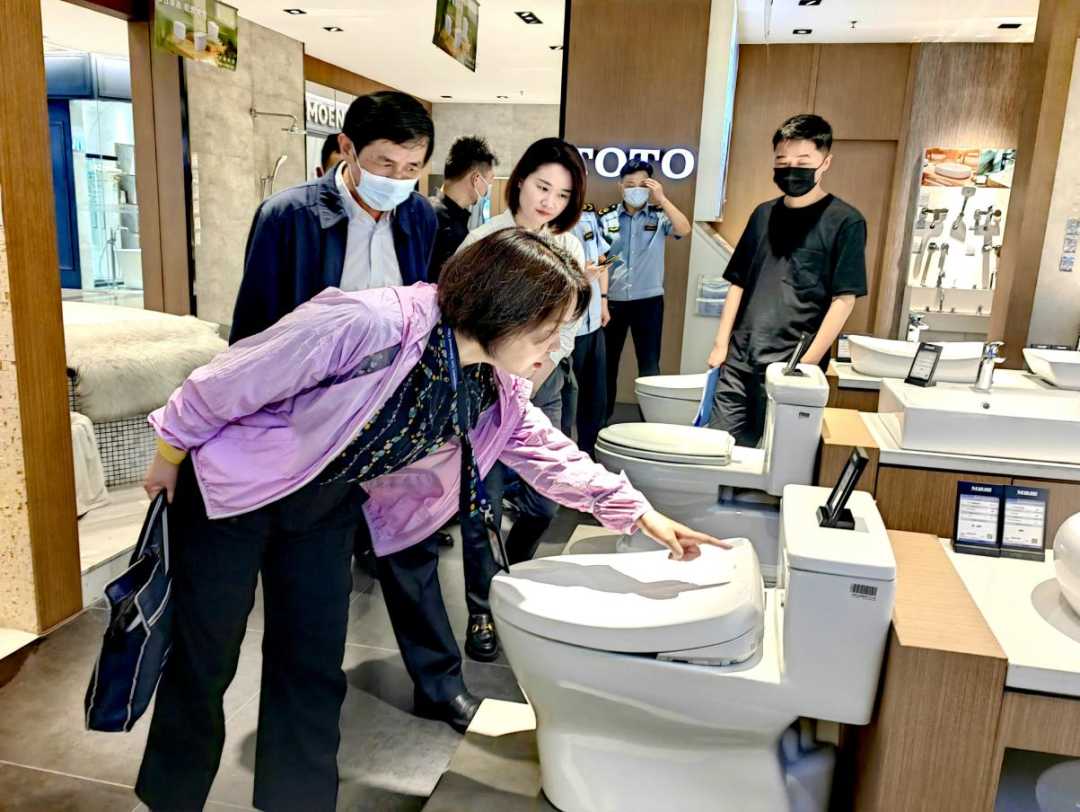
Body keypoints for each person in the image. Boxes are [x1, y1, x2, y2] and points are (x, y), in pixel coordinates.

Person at [134, 229, 726, 812]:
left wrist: (638, 512)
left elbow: (546, 452)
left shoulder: (491, 383)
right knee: (204, 661)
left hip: (326, 505)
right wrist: (168, 454)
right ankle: (170, 799)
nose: (551, 349)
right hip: (233, 494)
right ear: (503, 311)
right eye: (545, 332)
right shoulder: (367, 324)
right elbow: (225, 382)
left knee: (311, 666)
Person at [456, 137, 590, 661]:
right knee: (482, 506)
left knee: (544, 501)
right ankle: (483, 608)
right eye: (542, 187)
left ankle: (507, 574)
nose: (549, 202)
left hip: (543, 385)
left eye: (563, 194)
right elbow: (459, 321)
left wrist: (529, 383)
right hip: (484, 393)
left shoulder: (569, 247)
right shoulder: (483, 241)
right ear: (519, 181)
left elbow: (567, 331)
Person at [707, 113, 867, 447]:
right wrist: (721, 345)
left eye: (803, 162)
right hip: (740, 357)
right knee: (720, 448)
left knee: (778, 458)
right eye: (782, 161)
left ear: (825, 162)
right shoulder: (763, 214)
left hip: (792, 362)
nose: (791, 169)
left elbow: (844, 300)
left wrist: (806, 365)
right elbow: (738, 282)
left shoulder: (845, 221)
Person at [229, 91, 436, 344]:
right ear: (347, 148)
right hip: (307, 367)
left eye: (412, 167)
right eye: (385, 164)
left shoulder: (419, 215)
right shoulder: (287, 217)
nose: (397, 179)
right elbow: (251, 330)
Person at [599, 158, 692, 419]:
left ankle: (649, 422)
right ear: (620, 186)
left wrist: (662, 198)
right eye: (630, 185)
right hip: (612, 302)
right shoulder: (605, 218)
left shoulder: (659, 216)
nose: (636, 190)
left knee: (649, 365)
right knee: (607, 366)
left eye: (642, 185)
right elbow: (599, 260)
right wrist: (601, 299)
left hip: (648, 302)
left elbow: (684, 229)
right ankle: (601, 421)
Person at [567, 203, 610, 457]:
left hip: (593, 320)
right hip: (570, 326)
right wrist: (580, 275)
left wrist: (604, 300)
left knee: (595, 397)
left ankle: (590, 453)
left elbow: (603, 260)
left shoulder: (589, 216)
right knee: (569, 397)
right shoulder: (554, 224)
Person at [429, 135, 497, 280]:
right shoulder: (450, 230)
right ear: (476, 179)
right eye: (490, 181)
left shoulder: (428, 209)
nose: (488, 188)